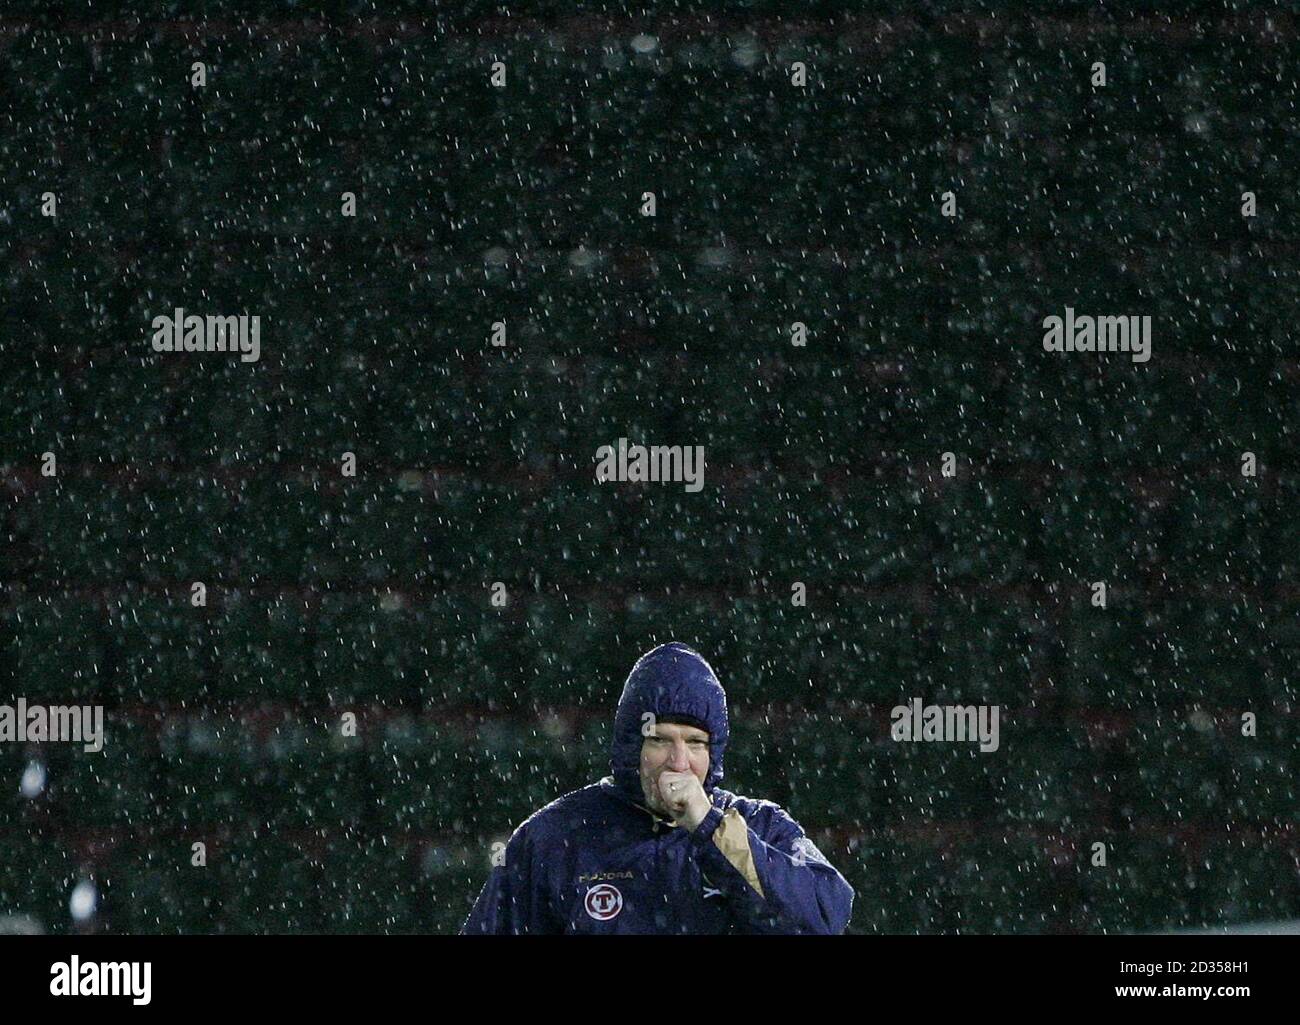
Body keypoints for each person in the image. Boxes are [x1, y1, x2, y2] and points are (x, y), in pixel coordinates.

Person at [461, 641, 854, 934]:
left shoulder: (760, 827)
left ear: (714, 753)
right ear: (632, 747)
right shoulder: (553, 838)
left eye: (696, 742)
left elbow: (822, 920)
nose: (679, 762)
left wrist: (711, 830)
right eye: (660, 740)